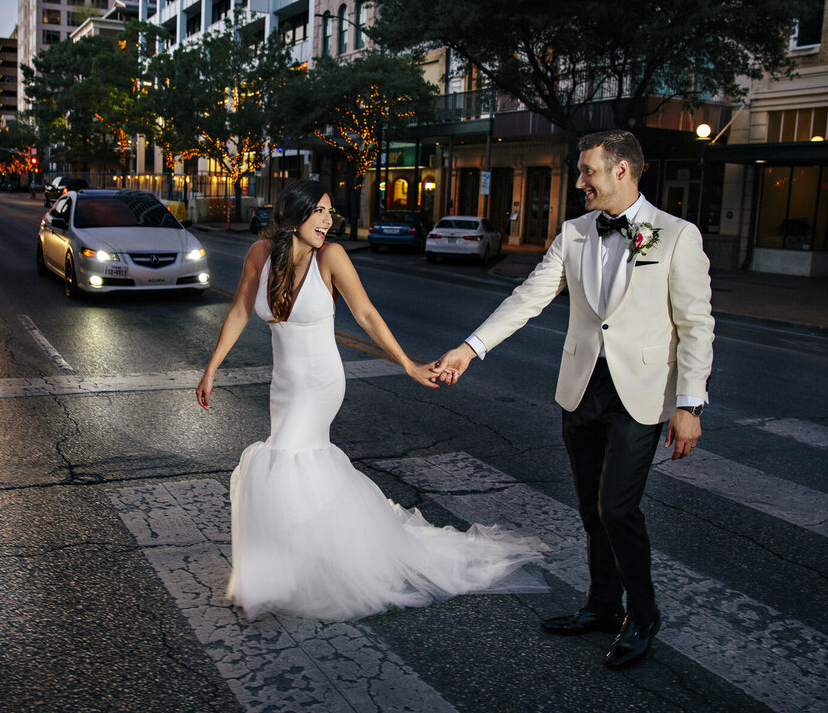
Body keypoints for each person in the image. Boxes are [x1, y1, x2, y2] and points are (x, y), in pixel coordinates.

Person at [197, 179, 543, 621]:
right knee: (297, 460)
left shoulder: (332, 257)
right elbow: (241, 310)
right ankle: (305, 560)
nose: (328, 220)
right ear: (296, 215)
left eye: (329, 212)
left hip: (320, 383)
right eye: (320, 211)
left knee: (285, 457)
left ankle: (291, 570)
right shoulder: (260, 256)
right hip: (283, 385)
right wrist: (211, 369)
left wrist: (407, 363)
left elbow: (365, 314)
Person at [434, 130, 714, 669]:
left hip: (643, 392)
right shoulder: (575, 233)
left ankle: (644, 614)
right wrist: (470, 349)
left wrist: (690, 403)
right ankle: (603, 606)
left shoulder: (676, 236)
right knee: (591, 509)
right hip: (582, 388)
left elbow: (696, 325)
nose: (579, 181)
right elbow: (529, 297)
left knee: (618, 507)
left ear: (622, 172)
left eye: (587, 171)